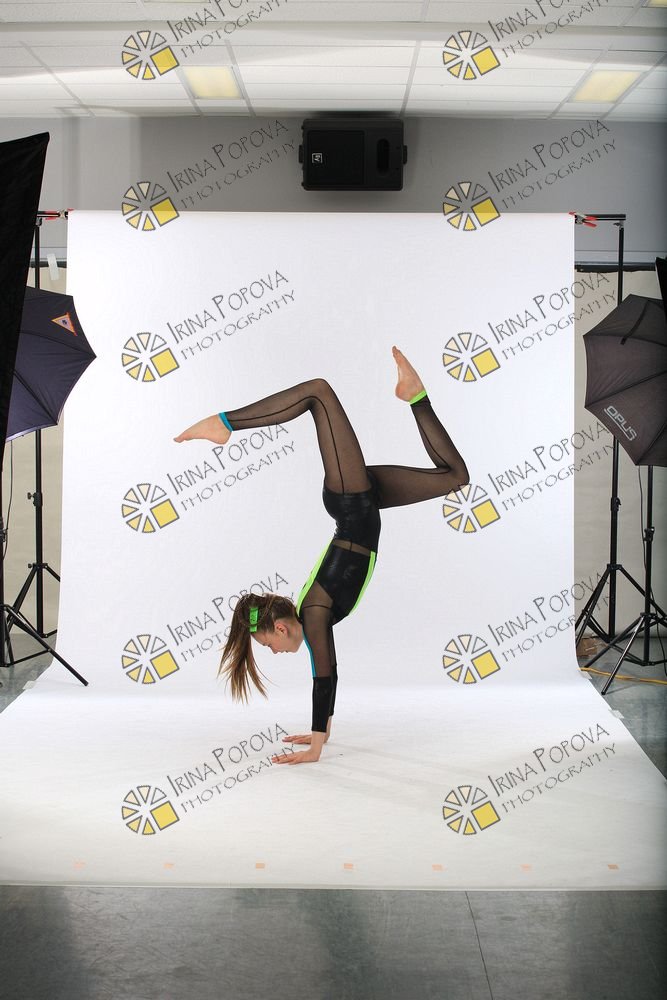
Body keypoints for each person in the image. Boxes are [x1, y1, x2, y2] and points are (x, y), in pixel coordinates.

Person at [174, 347, 469, 766]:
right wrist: (323, 730)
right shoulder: (313, 613)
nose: (275, 651)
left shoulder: (313, 613)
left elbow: (324, 676)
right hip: (363, 503)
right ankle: (415, 396)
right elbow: (326, 673)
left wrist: (314, 747)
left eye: (268, 644)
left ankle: (224, 424)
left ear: (280, 627)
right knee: (455, 477)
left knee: (318, 393)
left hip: (351, 501)